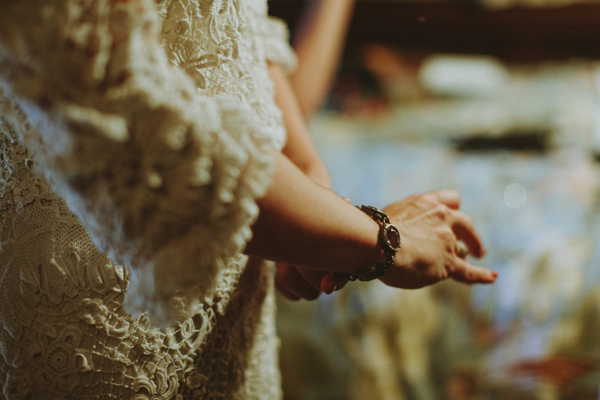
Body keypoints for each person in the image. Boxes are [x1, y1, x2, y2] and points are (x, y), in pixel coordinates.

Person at [0, 0, 496, 399]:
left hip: (239, 337)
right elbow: (131, 120)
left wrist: (309, 177)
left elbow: (237, 41)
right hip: (103, 326)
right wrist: (384, 240)